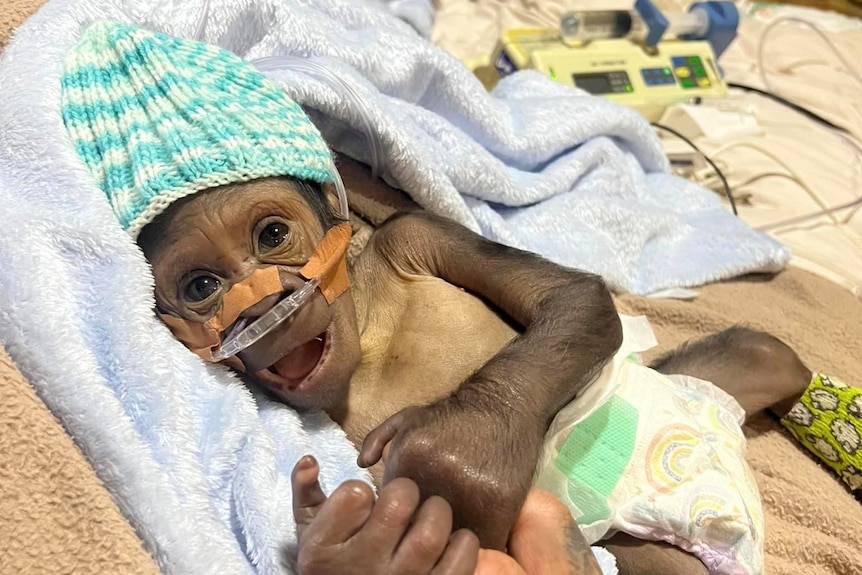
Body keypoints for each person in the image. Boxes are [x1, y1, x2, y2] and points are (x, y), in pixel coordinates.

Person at [61, 20, 858, 575]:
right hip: (592, 521)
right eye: (202, 285)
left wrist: (499, 405)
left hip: (630, 404)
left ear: (333, 211)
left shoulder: (409, 247)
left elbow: (579, 305)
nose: (257, 297)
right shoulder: (283, 425)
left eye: (274, 235)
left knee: (759, 354)